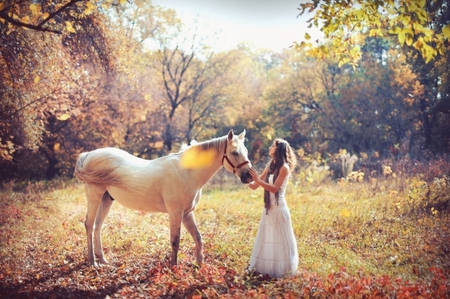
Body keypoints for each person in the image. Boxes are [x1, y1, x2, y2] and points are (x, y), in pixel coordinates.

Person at [247, 138, 298, 279]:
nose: (270, 147)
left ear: (278, 149)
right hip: (268, 209)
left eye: (273, 146)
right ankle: (266, 269)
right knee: (268, 238)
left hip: (279, 208)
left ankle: (282, 271)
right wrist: (244, 176)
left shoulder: (284, 168)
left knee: (279, 240)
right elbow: (254, 186)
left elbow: (275, 189)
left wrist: (258, 180)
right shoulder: (270, 166)